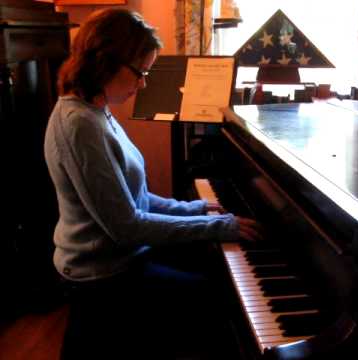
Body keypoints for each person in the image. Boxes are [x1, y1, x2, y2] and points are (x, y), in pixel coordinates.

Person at [44, 8, 261, 359]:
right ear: (106, 60)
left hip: (122, 257)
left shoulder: (97, 110)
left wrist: (195, 209)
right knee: (215, 298)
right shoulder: (79, 125)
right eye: (140, 72)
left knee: (213, 267)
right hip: (101, 275)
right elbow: (127, 226)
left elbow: (137, 198)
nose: (143, 84)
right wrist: (217, 225)